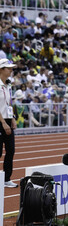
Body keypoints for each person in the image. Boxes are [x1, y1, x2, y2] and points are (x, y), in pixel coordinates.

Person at [0, 59, 17, 188]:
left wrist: (12, 118)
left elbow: (9, 103)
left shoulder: (9, 84)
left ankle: (6, 178)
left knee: (10, 149)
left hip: (7, 119)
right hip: (0, 121)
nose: (11, 70)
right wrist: (3, 123)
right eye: (8, 68)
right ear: (1, 69)